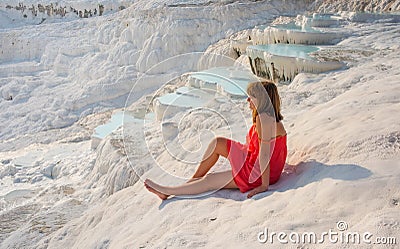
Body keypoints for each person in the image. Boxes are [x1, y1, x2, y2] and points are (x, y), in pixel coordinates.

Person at [144, 81, 287, 200]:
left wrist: (264, 185)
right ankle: (192, 182)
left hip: (257, 172)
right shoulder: (266, 117)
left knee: (210, 180)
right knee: (217, 143)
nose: (248, 100)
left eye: (252, 97)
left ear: (262, 99)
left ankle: (168, 191)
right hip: (252, 158)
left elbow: (264, 155)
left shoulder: (264, 120)